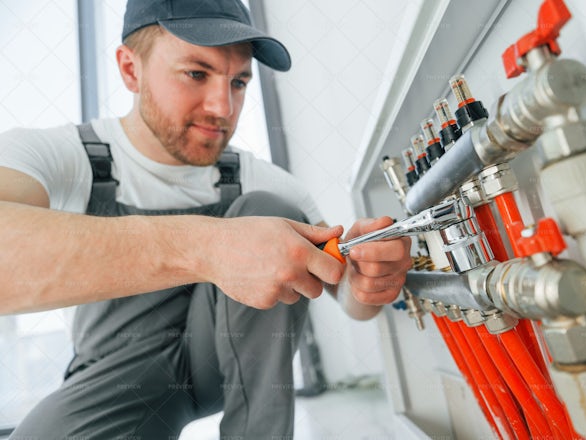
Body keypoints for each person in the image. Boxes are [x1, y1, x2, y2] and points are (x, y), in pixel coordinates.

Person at [0, 0, 412, 438]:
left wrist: (369, 281)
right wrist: (209, 247)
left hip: (218, 368)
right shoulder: (58, 156)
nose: (223, 107)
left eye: (238, 82)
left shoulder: (263, 182)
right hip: (113, 380)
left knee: (269, 210)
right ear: (130, 69)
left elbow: (345, 293)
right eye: (196, 73)